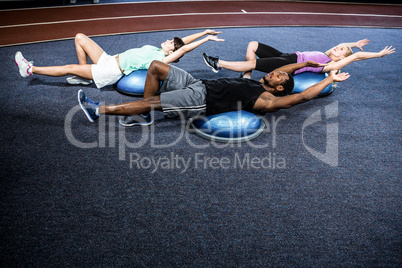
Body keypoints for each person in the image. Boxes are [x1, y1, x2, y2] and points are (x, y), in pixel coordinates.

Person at [77, 60, 349, 126]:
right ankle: (147, 111)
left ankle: (98, 110)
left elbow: (301, 96)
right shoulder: (260, 82)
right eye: (277, 72)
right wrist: (304, 64)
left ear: (279, 87)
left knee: (154, 101)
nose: (275, 71)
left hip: (200, 100)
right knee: (157, 67)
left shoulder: (267, 99)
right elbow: (284, 69)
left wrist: (329, 79)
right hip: (197, 84)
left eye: (279, 76)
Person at [14, 29, 224, 88]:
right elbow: (182, 41)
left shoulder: (161, 60)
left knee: (68, 67)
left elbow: (182, 49)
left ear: (171, 52)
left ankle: (30, 69)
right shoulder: (158, 49)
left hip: (110, 71)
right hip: (108, 58)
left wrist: (205, 41)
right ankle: (84, 75)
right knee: (80, 37)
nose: (168, 40)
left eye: (170, 43)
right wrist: (203, 31)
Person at [202, 39, 395, 78]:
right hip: (286, 55)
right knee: (253, 45)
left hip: (290, 64)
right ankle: (246, 78)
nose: (337, 46)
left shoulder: (328, 65)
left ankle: (218, 64)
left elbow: (356, 57)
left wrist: (378, 54)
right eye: (339, 46)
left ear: (341, 58)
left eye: (341, 49)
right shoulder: (329, 53)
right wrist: (352, 45)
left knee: (254, 63)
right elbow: (349, 50)